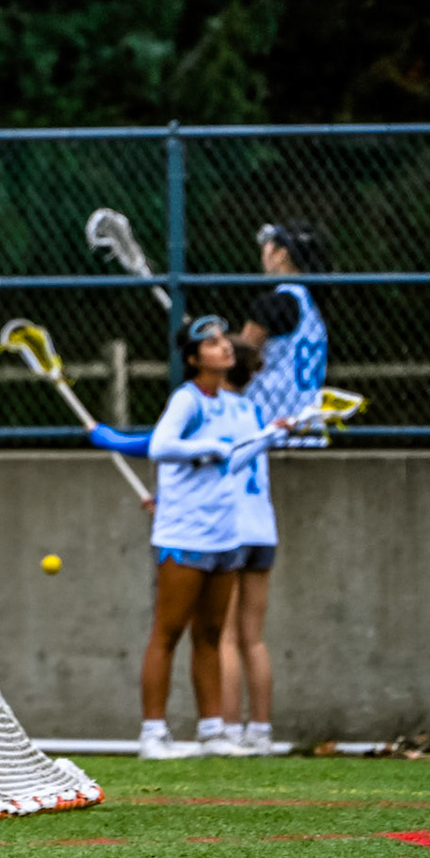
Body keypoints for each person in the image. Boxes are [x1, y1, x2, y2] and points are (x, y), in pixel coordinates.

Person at [138, 315, 254, 761]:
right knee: (167, 633)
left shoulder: (229, 403)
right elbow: (160, 446)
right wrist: (204, 448)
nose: (224, 347)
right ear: (192, 359)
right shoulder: (186, 400)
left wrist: (282, 430)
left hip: (224, 534)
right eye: (211, 343)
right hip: (184, 534)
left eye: (224, 340)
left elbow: (235, 460)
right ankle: (153, 734)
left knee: (210, 634)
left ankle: (213, 730)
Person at [219, 340, 277, 757]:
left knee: (222, 637)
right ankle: (261, 729)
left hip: (229, 529)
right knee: (253, 639)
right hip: (263, 529)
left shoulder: (214, 410)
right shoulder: (255, 411)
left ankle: (226, 730)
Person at [240, 222, 329, 432]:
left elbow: (238, 357)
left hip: (269, 424)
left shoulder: (274, 303)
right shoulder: (313, 304)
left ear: (281, 255)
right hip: (307, 425)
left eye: (268, 247)